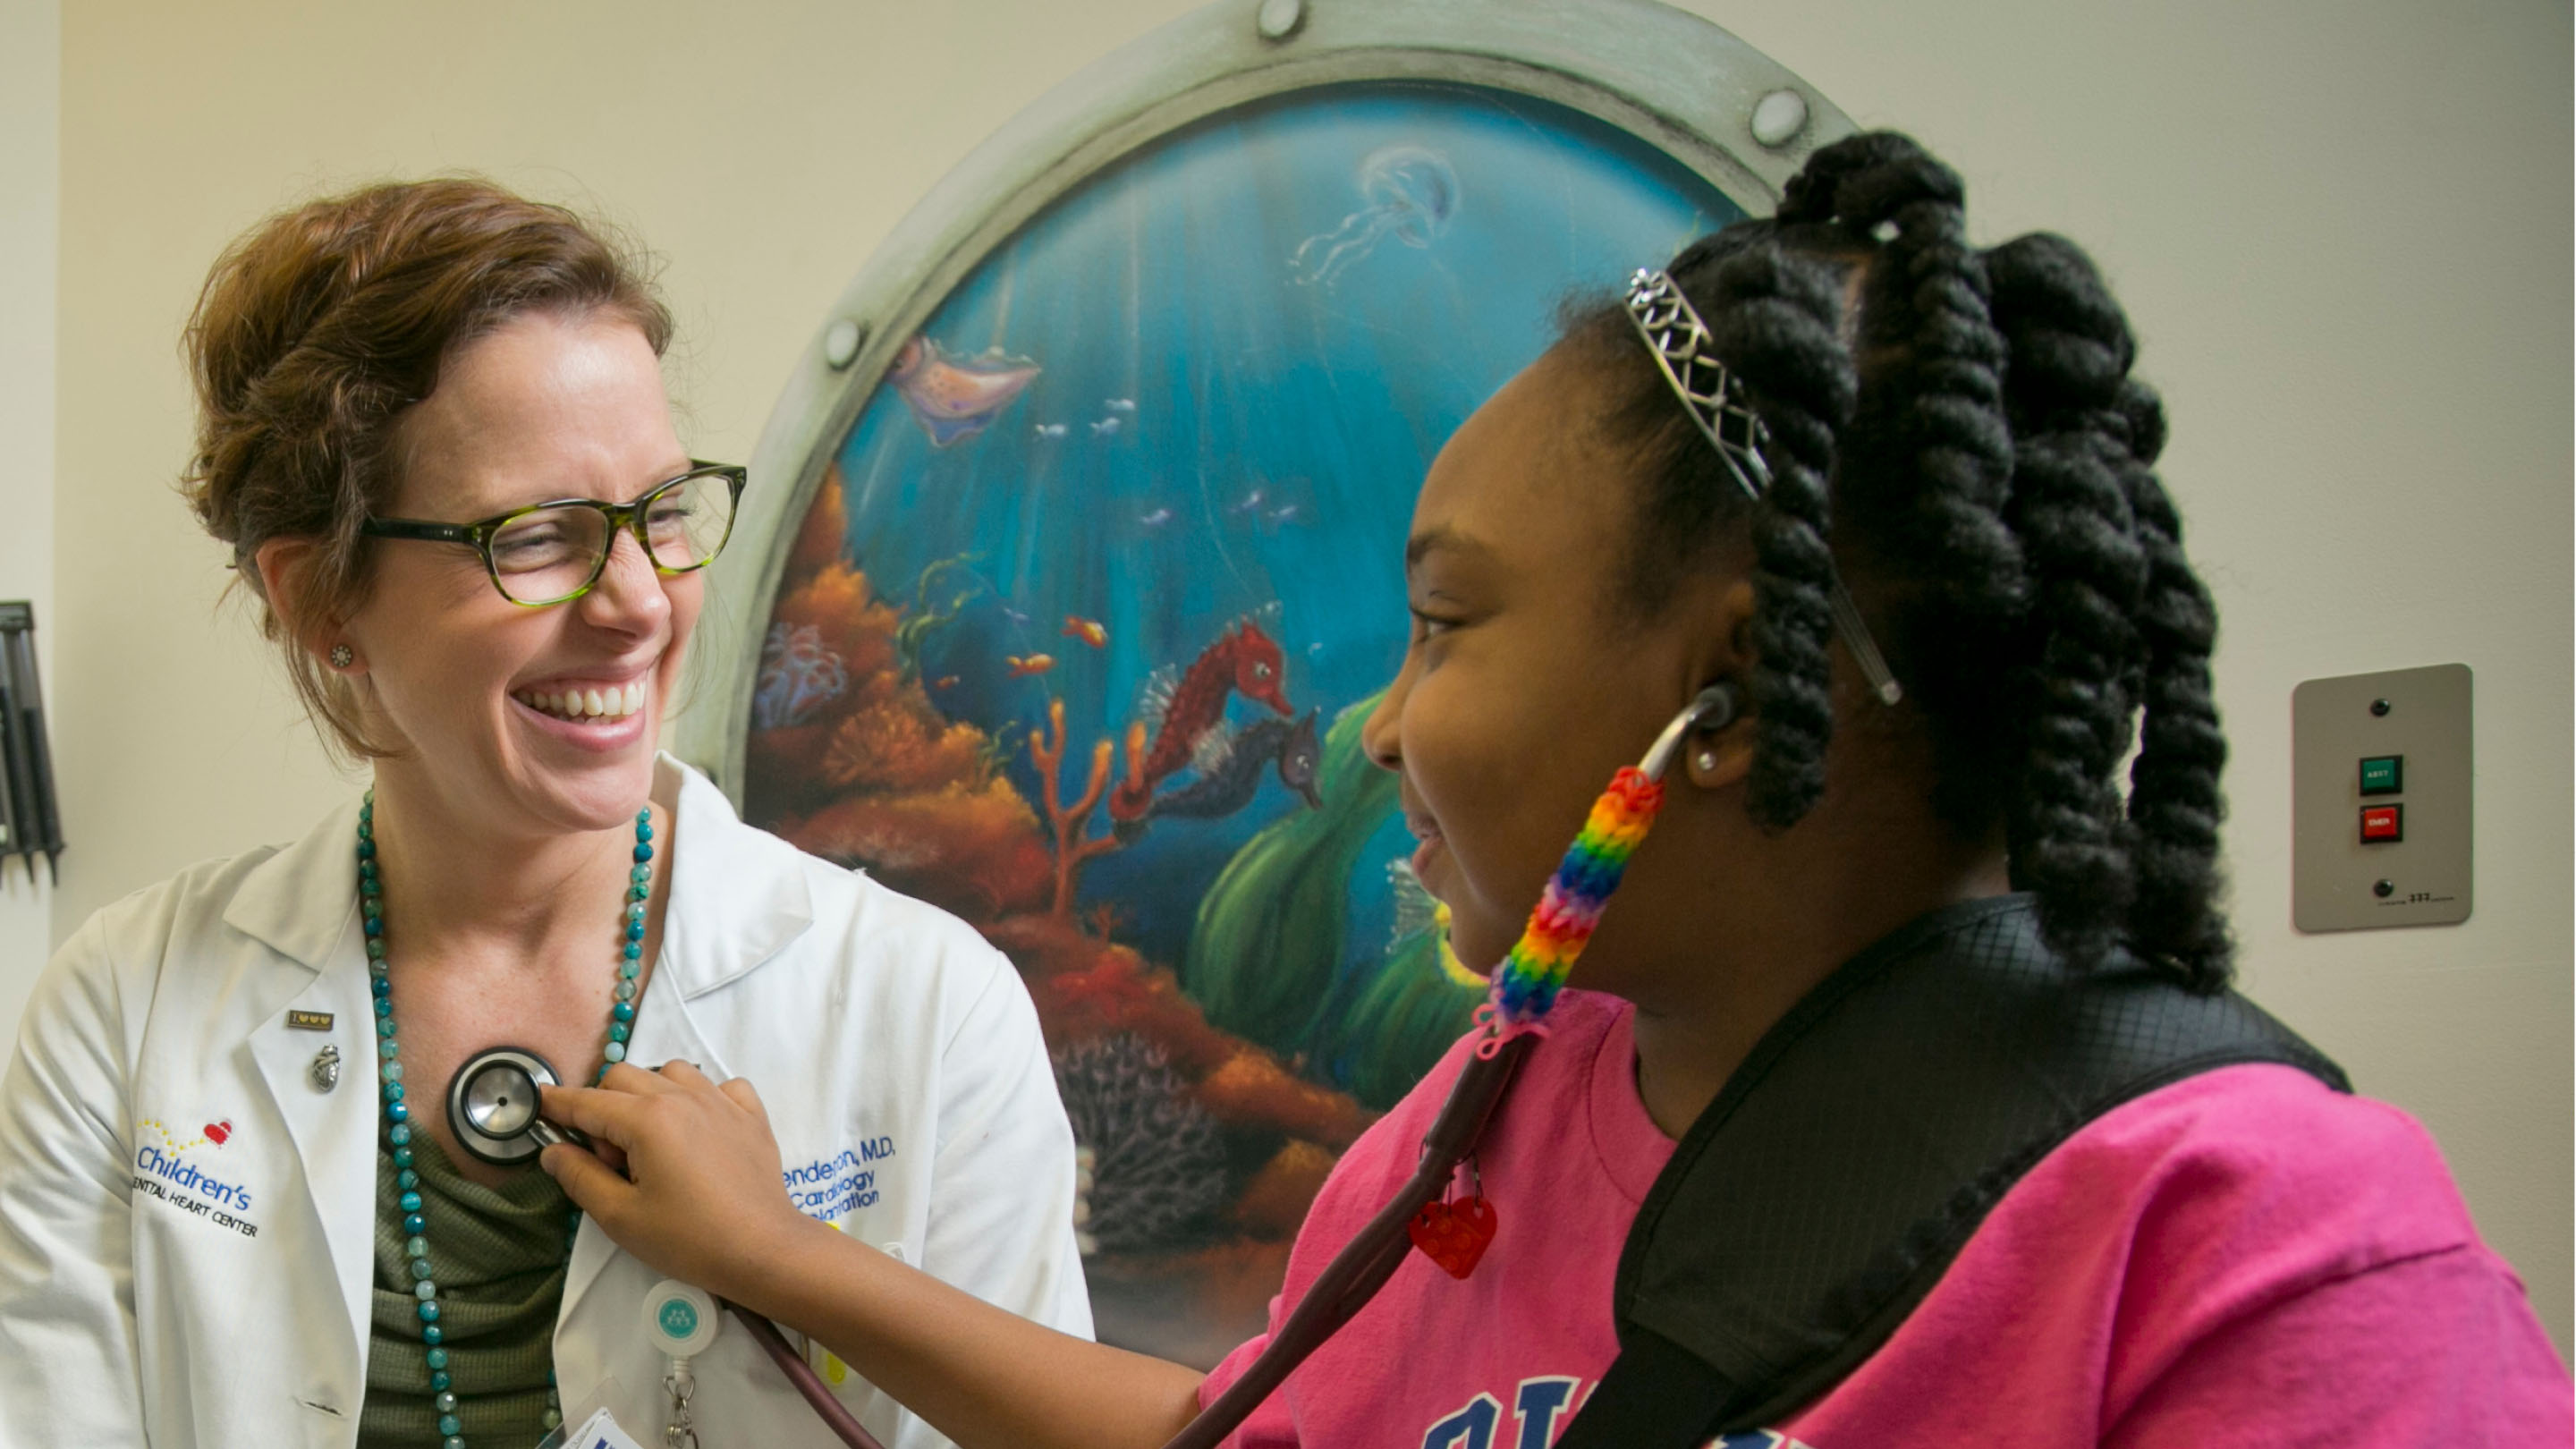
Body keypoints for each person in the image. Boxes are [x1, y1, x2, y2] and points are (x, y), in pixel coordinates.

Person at [532, 132, 2570, 1447]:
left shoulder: (2257, 1252)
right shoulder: (1479, 1121)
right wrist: (782, 1256)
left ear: (1727, 702)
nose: (1384, 726)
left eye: (1449, 624)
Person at [0, 178, 1089, 1449]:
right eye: (537, 536)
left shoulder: (930, 1010)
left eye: (664, 511)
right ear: (320, 604)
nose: (641, 600)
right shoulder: (123, 1016)